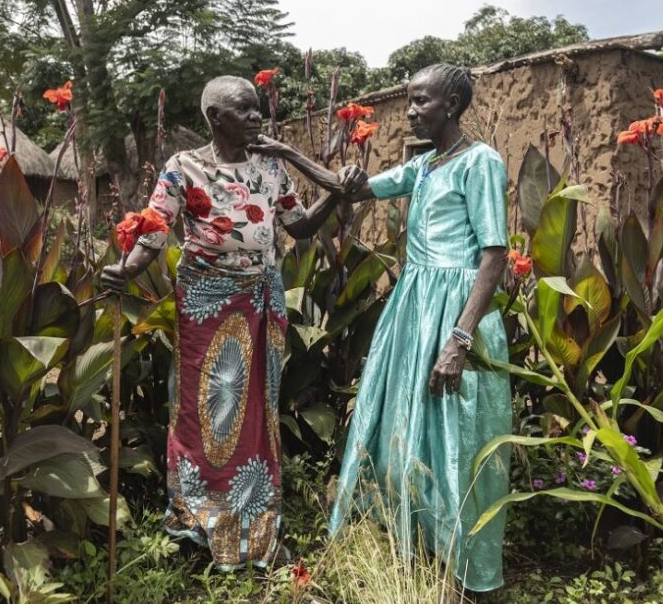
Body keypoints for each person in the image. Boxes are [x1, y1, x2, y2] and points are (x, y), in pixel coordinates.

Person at [255, 63, 512, 592]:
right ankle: (418, 549)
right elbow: (349, 190)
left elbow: (494, 254)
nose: (410, 111)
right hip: (415, 307)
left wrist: (460, 338)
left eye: (421, 101)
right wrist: (285, 152)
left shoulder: (479, 161)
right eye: (409, 101)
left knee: (457, 431)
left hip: (454, 310)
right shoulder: (425, 166)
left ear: (452, 106)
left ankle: (463, 566)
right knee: (409, 423)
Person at [101, 75, 341, 570]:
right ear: (215, 117)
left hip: (261, 299)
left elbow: (298, 226)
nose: (256, 118)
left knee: (257, 407)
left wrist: (335, 197)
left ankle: (250, 513)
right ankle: (199, 517)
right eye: (244, 110)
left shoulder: (270, 166)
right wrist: (125, 271)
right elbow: (154, 231)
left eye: (257, 109)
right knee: (208, 405)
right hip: (207, 302)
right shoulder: (183, 167)